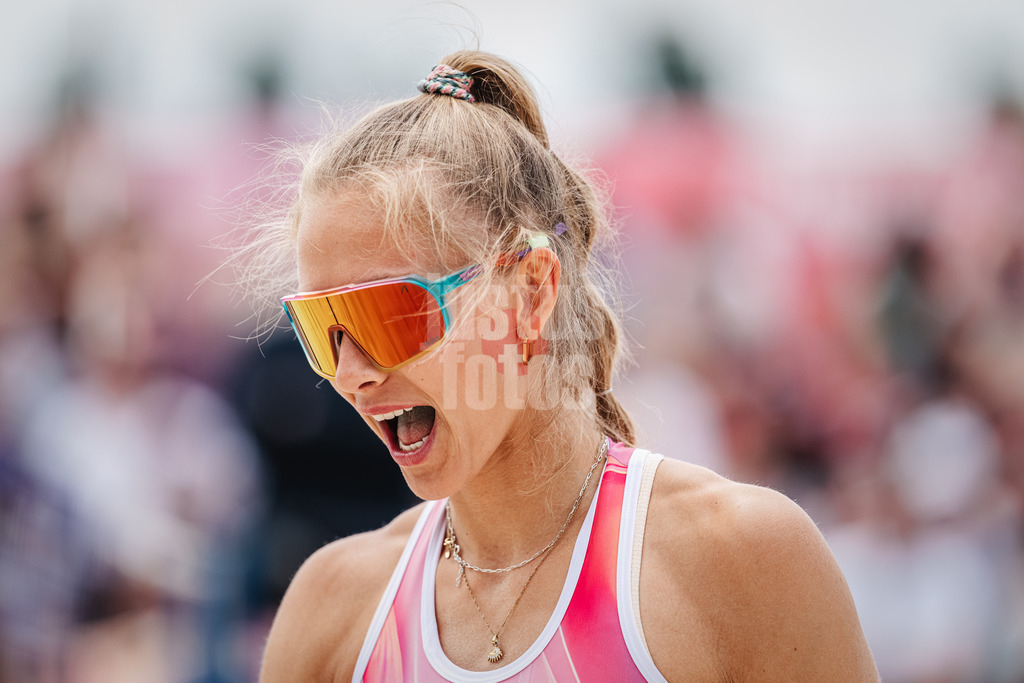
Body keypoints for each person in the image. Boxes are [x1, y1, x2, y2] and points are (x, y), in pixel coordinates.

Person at [251, 51, 878, 682]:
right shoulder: (331, 609)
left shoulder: (743, 560)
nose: (350, 373)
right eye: (318, 328)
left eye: (388, 315)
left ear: (530, 293)